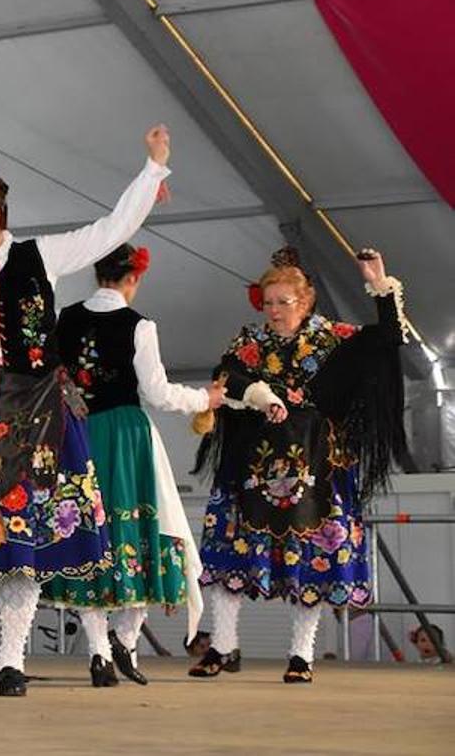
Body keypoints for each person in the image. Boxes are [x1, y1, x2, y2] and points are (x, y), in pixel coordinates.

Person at [0, 125, 173, 698]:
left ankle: (12, 662)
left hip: (36, 419)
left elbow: (112, 230)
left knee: (21, 548)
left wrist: (152, 170)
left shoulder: (40, 257)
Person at [191, 246, 409, 683]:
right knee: (230, 551)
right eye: (267, 302)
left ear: (305, 301)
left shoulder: (333, 338)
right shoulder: (250, 342)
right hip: (252, 463)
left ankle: (301, 654)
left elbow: (389, 337)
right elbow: (227, 375)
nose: (273, 310)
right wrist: (258, 395)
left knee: (311, 554)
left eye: (282, 302)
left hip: (317, 465)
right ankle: (223, 645)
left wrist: (379, 284)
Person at [43, 244, 223, 686]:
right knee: (148, 526)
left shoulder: (65, 318)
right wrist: (205, 398)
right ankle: (125, 638)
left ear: (97, 273)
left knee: (87, 532)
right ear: (134, 278)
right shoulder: (139, 325)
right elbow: (157, 393)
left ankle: (100, 653)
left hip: (78, 435)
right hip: (126, 436)